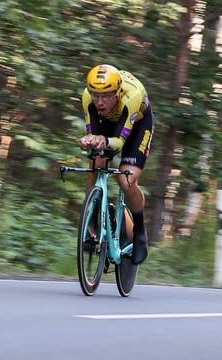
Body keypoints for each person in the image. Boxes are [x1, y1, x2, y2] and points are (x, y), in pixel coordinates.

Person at [78, 64, 154, 265]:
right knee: (96, 163)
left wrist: (104, 139)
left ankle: (139, 233)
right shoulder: (88, 98)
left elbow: (119, 142)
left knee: (125, 179)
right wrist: (88, 141)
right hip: (109, 124)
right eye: (96, 95)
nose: (100, 102)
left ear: (118, 92)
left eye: (107, 95)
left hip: (137, 125)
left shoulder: (132, 96)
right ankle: (91, 224)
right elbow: (93, 134)